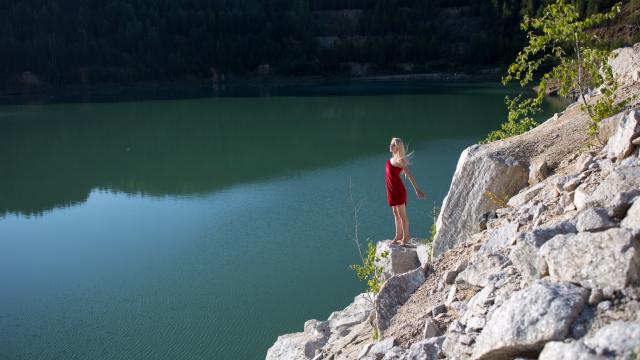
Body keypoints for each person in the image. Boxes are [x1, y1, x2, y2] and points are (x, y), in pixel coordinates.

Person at [386, 137, 426, 245]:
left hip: (398, 191)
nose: (391, 146)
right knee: (395, 213)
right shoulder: (392, 159)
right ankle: (398, 236)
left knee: (402, 214)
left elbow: (409, 175)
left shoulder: (400, 161)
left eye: (393, 145)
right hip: (391, 190)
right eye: (391, 144)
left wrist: (417, 190)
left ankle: (406, 236)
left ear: (398, 148)